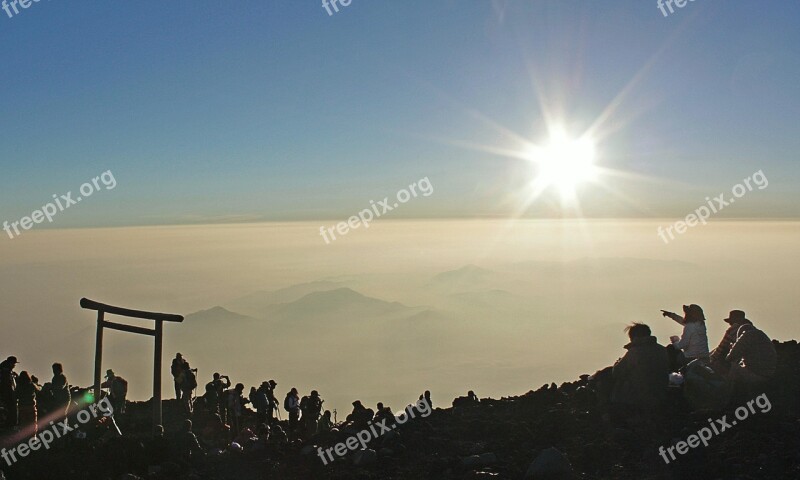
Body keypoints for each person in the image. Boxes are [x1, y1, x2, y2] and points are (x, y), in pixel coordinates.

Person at [610, 323, 669, 427]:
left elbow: (617, 372)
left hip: (640, 396)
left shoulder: (634, 352)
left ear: (635, 337)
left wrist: (618, 363)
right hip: (661, 392)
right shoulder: (662, 350)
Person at [727, 323, 777, 392]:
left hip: (756, 374)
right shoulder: (762, 337)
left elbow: (731, 357)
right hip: (768, 374)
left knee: (730, 368)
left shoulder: (747, 335)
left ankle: (727, 397)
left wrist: (732, 348)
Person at [709, 310, 753, 374]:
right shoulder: (750, 329)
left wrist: (711, 358)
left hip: (731, 361)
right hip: (745, 361)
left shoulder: (732, 330)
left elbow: (721, 347)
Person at [0, 356, 19, 428]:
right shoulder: (5, 372)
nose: (14, 365)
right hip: (7, 394)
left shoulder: (6, 370)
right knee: (10, 409)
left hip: (8, 393)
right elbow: (7, 384)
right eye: (14, 364)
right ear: (11, 363)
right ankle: (10, 424)